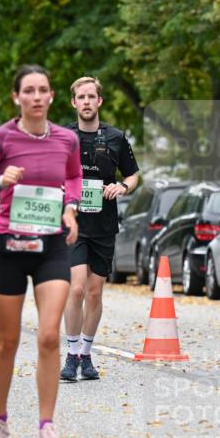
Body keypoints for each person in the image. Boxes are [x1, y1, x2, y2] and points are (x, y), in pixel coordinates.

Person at [0, 64, 81, 438]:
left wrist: (70, 208)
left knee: (49, 335)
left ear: (51, 97)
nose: (35, 96)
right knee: (8, 341)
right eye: (28, 90)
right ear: (16, 97)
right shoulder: (1, 137)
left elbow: (75, 178)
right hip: (9, 245)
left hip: (51, 246)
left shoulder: (66, 139)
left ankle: (47, 428)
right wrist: (0, 181)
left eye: (42, 90)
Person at [61, 76, 140, 382]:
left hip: (105, 225)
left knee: (94, 293)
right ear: (74, 103)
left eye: (91, 96)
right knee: (77, 287)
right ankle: (70, 355)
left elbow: (133, 176)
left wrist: (122, 186)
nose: (86, 101)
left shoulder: (116, 138)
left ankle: (86, 355)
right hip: (74, 224)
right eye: (81, 97)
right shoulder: (63, 137)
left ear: (99, 102)